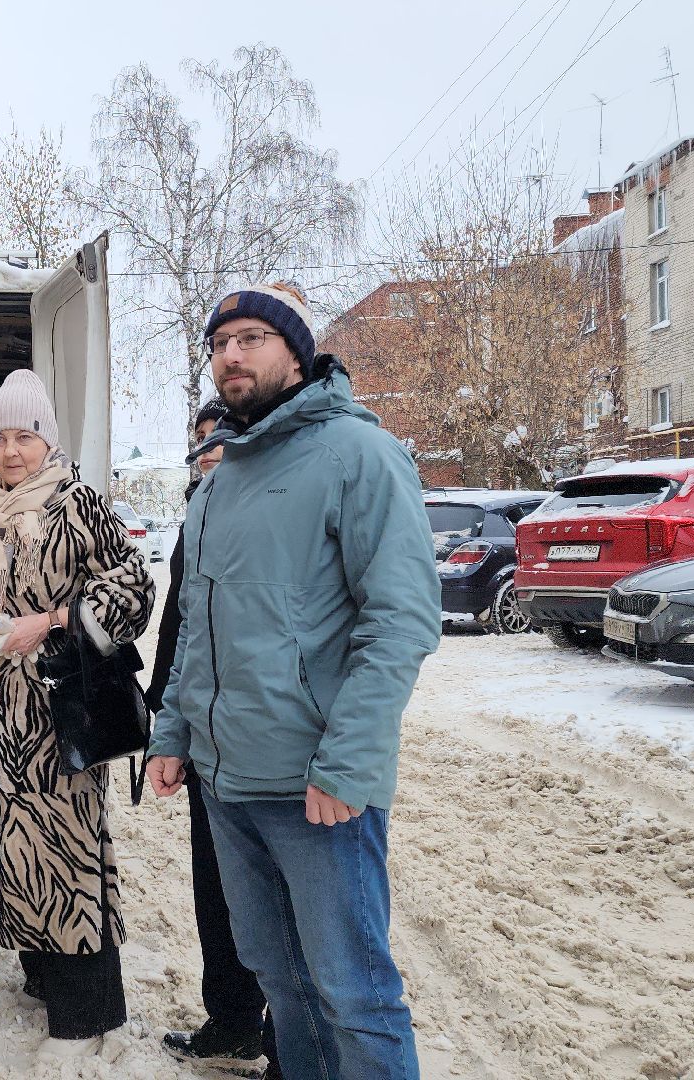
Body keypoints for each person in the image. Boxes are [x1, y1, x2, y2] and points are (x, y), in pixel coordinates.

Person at [146, 285, 441, 1079]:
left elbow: (401, 623)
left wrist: (348, 764)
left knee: (354, 991)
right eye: (218, 345)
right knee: (282, 981)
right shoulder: (217, 483)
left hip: (316, 786)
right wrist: (172, 734)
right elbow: (196, 629)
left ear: (297, 351)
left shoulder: (361, 455)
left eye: (250, 338)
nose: (230, 356)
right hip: (227, 783)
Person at [0, 368, 156, 1056]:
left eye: (23, 437)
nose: (9, 452)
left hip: (62, 714)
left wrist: (56, 619)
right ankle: (41, 978)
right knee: (12, 851)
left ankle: (87, 1011)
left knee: (65, 856)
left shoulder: (79, 503)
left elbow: (135, 589)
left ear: (47, 440)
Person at [147, 397, 275, 1080]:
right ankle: (231, 1023)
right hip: (204, 736)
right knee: (217, 888)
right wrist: (163, 719)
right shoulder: (197, 517)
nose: (213, 451)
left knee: (282, 907)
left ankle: (290, 1047)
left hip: (275, 741)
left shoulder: (278, 511)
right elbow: (178, 627)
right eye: (203, 442)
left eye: (227, 439)